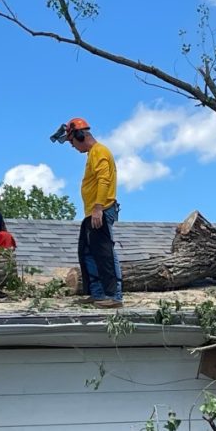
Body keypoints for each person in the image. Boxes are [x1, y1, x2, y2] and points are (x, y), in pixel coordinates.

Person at [55, 117, 122, 309]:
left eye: (72, 142)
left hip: (100, 208)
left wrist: (98, 207)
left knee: (104, 252)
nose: (72, 147)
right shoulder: (92, 154)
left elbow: (104, 180)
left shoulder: (99, 151)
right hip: (92, 210)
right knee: (88, 252)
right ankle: (97, 292)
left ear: (79, 135)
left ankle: (113, 295)